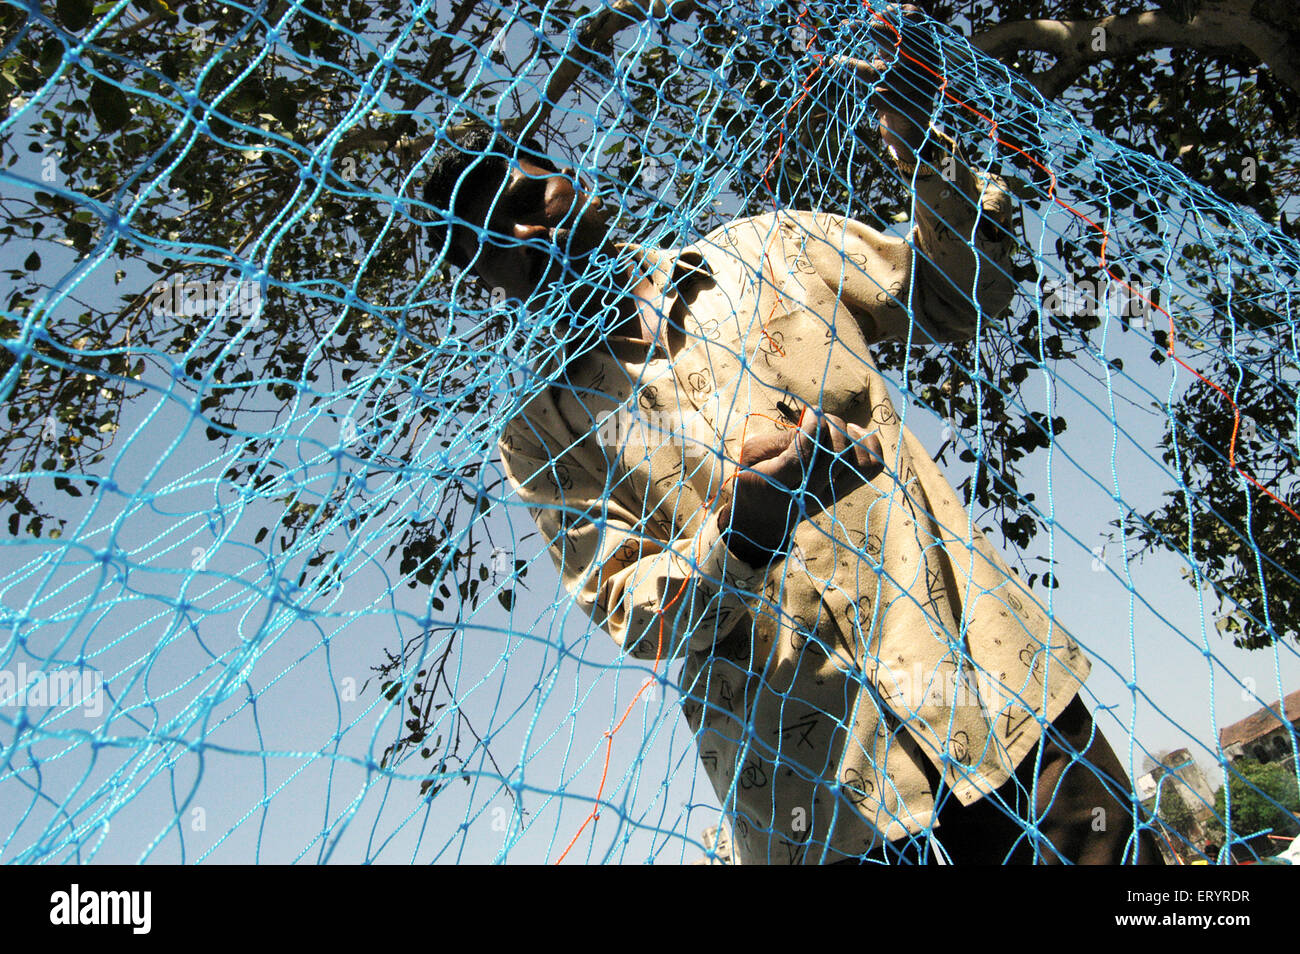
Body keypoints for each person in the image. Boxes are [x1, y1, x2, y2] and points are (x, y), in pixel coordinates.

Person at [423, 9, 1162, 865]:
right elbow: (632, 613)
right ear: (485, 279)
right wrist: (744, 529)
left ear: (572, 182)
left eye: (527, 197)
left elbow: (966, 295)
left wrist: (924, 145)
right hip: (830, 815)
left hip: (1001, 706)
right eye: (490, 240)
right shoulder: (541, 435)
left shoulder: (768, 249)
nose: (528, 232)